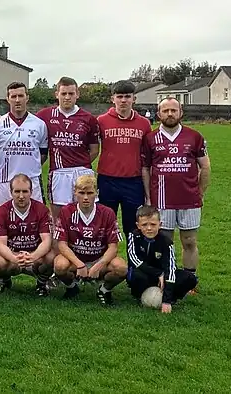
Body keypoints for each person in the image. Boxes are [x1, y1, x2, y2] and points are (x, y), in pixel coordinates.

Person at [141, 98, 210, 286]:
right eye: (165, 111)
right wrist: (148, 196)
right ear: (158, 114)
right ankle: (165, 278)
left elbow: (205, 166)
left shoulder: (194, 136)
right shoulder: (150, 138)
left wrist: (200, 191)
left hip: (189, 199)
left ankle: (190, 280)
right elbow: (145, 169)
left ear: (181, 113)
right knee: (164, 243)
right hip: (162, 200)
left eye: (173, 110)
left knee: (189, 241)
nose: (169, 114)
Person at [51, 174, 127, 305]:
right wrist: (80, 264)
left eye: (90, 193)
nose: (86, 197)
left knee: (121, 268)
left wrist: (98, 265)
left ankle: (104, 290)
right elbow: (62, 245)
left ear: (96, 193)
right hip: (75, 260)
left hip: (98, 259)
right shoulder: (66, 211)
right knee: (59, 265)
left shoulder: (107, 212)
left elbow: (113, 247)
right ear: (75, 193)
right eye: (81, 193)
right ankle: (71, 288)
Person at [36, 77, 101, 218]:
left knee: (86, 217)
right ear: (56, 94)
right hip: (59, 173)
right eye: (63, 93)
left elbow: (95, 149)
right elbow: (26, 121)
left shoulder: (89, 118)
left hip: (83, 172)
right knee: (58, 220)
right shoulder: (45, 115)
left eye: (71, 94)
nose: (67, 97)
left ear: (77, 94)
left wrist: (79, 163)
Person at [96, 80, 151, 235]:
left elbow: (147, 155)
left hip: (133, 182)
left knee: (133, 228)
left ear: (134, 99)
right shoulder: (101, 121)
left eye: (127, 96)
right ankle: (105, 260)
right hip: (107, 180)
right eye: (119, 96)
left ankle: (134, 259)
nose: (123, 100)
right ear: (112, 98)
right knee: (105, 226)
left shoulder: (144, 123)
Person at [126, 206, 199, 313]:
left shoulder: (166, 242)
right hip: (145, 273)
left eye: (153, 224)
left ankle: (171, 297)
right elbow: (134, 260)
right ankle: (139, 295)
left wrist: (166, 301)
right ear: (138, 226)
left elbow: (170, 268)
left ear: (160, 225)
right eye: (144, 225)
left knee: (190, 278)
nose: (149, 228)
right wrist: (158, 274)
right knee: (136, 275)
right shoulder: (134, 236)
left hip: (163, 275)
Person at [0, 174, 54, 295]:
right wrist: (14, 258)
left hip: (35, 254)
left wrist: (33, 256)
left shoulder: (42, 210)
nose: (21, 196)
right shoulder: (2, 211)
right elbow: (0, 244)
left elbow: (47, 241)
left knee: (52, 257)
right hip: (13, 253)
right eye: (17, 191)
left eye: (25, 191)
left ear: (31, 192)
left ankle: (41, 284)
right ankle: (5, 280)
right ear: (11, 192)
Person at [0, 82, 48, 207]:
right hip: (5, 181)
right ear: (7, 99)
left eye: (20, 96)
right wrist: (4, 168)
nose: (17, 100)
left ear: (27, 97)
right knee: (2, 220)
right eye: (13, 96)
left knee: (34, 220)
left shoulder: (39, 124)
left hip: (32, 181)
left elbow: (43, 154)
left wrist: (30, 166)